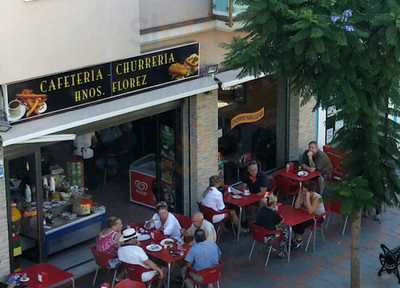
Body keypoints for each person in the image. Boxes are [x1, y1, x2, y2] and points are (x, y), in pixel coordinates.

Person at [292, 181, 325, 247]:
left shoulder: (318, 198)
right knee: (294, 220)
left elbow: (311, 211)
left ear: (311, 191)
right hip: (306, 214)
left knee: (301, 223)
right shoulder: (303, 194)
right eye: (303, 190)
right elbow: (296, 207)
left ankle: (299, 240)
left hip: (318, 217)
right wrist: (299, 195)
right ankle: (296, 236)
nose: (303, 192)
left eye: (305, 191)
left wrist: (307, 198)